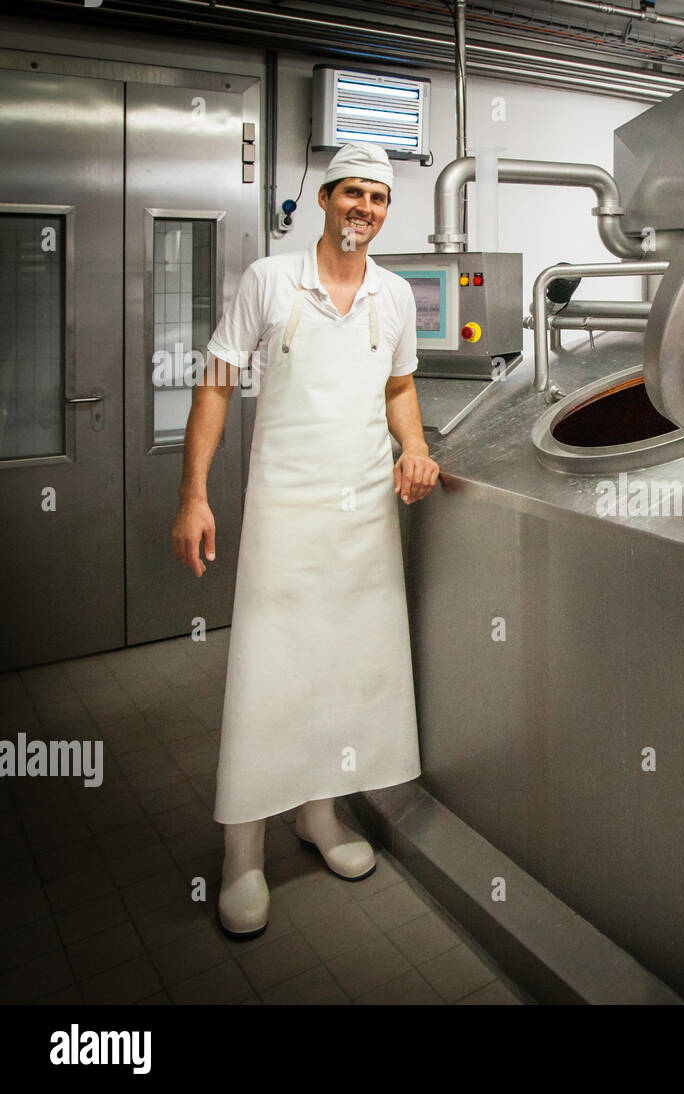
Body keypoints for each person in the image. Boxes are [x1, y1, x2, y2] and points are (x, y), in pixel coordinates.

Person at [170, 142, 439, 938]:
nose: (365, 208)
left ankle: (318, 818)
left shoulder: (393, 296)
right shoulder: (271, 280)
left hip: (362, 520)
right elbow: (217, 380)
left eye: (378, 199)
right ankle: (242, 853)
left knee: (345, 669)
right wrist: (194, 495)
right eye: (352, 193)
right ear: (324, 199)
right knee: (271, 671)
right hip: (284, 513)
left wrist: (415, 449)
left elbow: (398, 384)